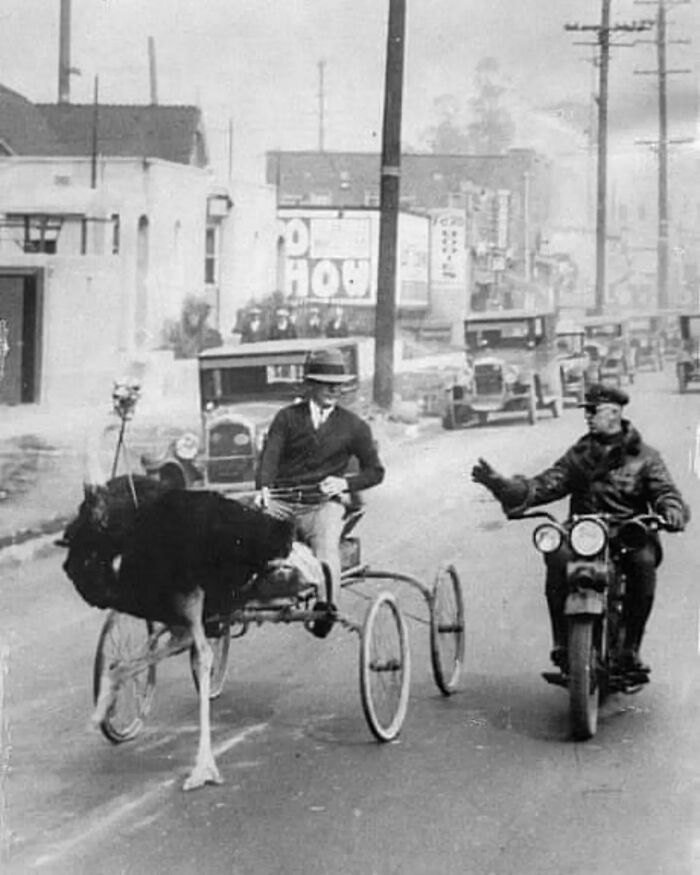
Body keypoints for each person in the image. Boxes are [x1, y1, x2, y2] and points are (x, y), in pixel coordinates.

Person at [471, 384, 689, 675]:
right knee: (557, 557)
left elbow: (665, 492)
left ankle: (630, 648)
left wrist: (671, 510)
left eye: (593, 410)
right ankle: (563, 642)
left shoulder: (645, 457)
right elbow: (547, 484)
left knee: (643, 563)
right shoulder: (579, 455)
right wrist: (505, 487)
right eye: (586, 411)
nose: (587, 416)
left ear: (614, 412)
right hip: (585, 533)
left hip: (628, 533)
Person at [256, 347, 385, 636]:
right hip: (283, 502)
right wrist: (264, 488)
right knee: (244, 533)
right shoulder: (286, 418)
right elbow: (270, 456)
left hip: (321, 504)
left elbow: (375, 471)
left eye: (338, 384)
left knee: (326, 546)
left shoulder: (354, 426)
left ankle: (326, 608)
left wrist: (345, 484)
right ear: (310, 385)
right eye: (327, 384)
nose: (334, 390)